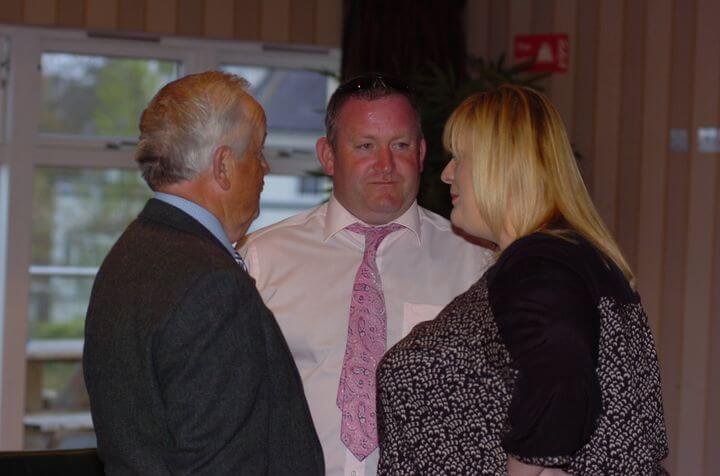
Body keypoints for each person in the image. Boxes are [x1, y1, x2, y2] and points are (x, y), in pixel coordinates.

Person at [376, 85, 669, 475]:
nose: (446, 174)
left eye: (460, 158)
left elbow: (560, 387)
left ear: (500, 166)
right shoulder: (561, 258)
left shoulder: (540, 263)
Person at [240, 74, 494, 475]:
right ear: (327, 156)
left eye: (401, 145)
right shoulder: (261, 260)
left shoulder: (475, 261)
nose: (385, 165)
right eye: (365, 146)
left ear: (421, 153)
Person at [83, 71, 324, 475]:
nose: (265, 169)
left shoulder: (127, 256)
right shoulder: (212, 286)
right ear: (224, 165)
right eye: (258, 153)